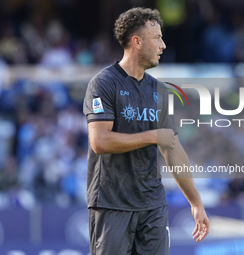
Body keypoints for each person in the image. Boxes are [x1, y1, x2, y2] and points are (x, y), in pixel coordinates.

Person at [83, 7, 209, 255]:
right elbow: (99, 141)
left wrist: (195, 202)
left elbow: (172, 148)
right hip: (112, 203)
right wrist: (152, 136)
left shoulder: (160, 91)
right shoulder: (103, 83)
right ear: (137, 42)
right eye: (157, 38)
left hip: (152, 204)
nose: (163, 45)